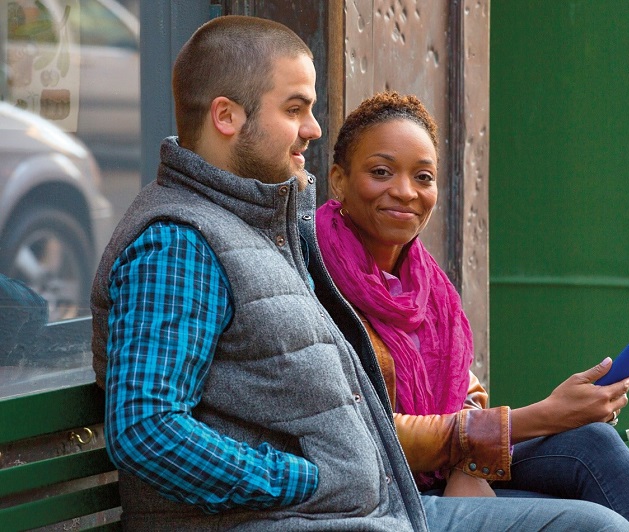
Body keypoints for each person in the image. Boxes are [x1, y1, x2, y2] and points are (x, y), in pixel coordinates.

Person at [90, 16, 431, 530]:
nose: (314, 129)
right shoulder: (179, 243)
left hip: (373, 513)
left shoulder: (263, 227)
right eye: (295, 109)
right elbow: (146, 428)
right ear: (226, 116)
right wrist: (307, 481)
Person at [316, 91, 629, 531]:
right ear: (339, 180)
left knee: (593, 441)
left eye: (423, 177)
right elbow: (364, 430)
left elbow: (463, 389)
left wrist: (467, 466)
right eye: (381, 172)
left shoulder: (427, 282)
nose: (405, 191)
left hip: (443, 468)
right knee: (601, 526)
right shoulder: (314, 274)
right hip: (383, 492)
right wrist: (542, 416)